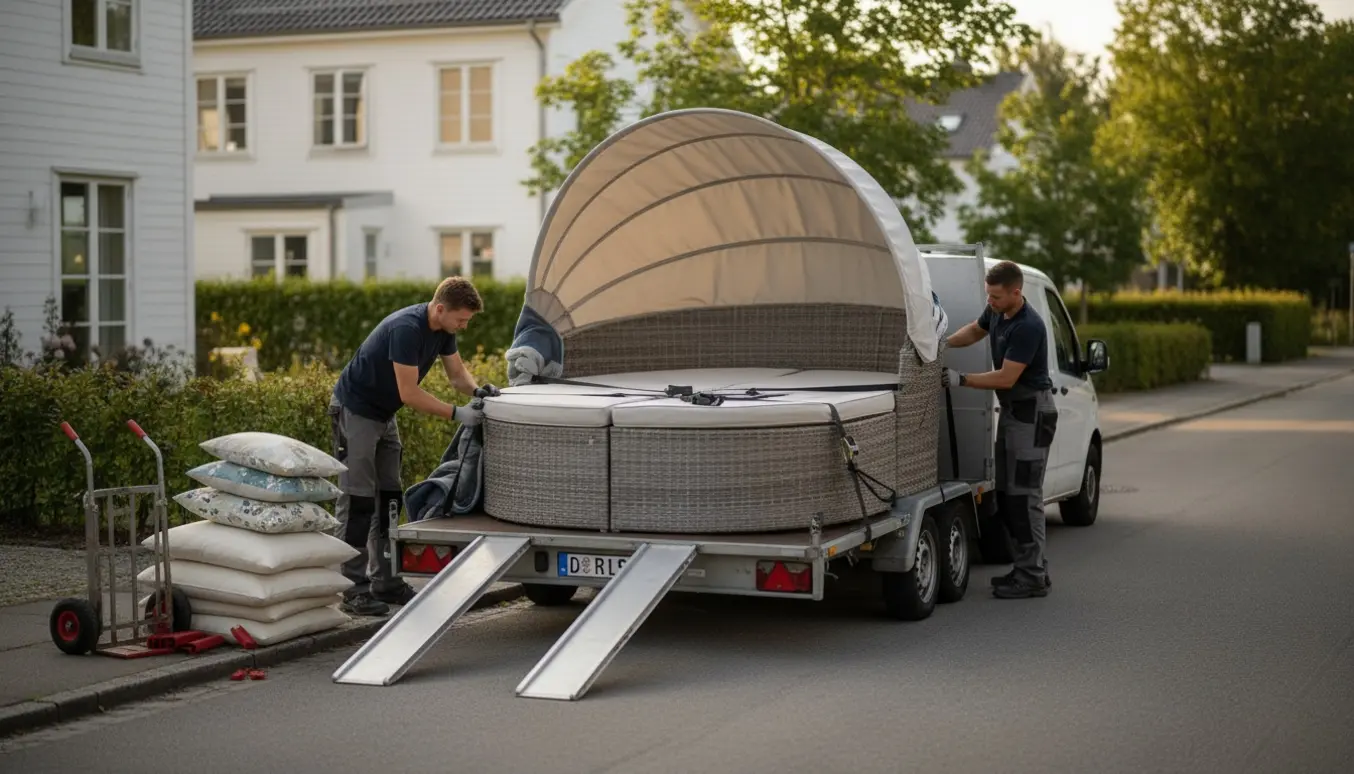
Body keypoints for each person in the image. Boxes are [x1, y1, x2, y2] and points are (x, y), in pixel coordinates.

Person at [327, 276, 499, 616]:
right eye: (461, 319)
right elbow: (409, 393)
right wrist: (457, 414)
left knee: (389, 499)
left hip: (384, 415)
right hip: (355, 412)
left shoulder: (444, 332)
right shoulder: (406, 329)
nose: (463, 327)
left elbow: (456, 376)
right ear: (439, 308)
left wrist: (478, 392)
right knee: (359, 499)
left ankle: (386, 582)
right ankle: (352, 590)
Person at [941, 260, 1057, 599]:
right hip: (1013, 413)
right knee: (1006, 496)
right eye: (988, 296)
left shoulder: (1029, 326)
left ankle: (1032, 575)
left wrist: (961, 379)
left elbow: (1006, 377)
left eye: (995, 297)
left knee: (1025, 498)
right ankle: (1028, 568)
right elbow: (975, 330)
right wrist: (943, 343)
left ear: (1016, 293)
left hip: (1032, 415)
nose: (989, 302)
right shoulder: (996, 312)